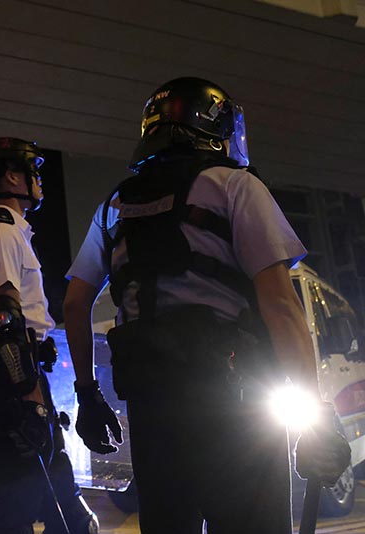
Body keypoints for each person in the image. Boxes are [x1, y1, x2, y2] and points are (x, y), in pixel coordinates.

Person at [62, 76, 351, 533]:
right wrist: (320, 415)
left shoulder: (113, 205)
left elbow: (76, 303)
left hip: (151, 404)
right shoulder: (235, 186)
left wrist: (86, 395)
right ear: (215, 126)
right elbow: (281, 307)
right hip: (234, 405)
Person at [0, 138, 101, 534]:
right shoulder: (0, 233)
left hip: (19, 379)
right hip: (12, 383)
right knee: (12, 517)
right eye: (32, 170)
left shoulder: (13, 232)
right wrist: (29, 392)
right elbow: (5, 318)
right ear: (12, 176)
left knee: (65, 517)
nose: (39, 179)